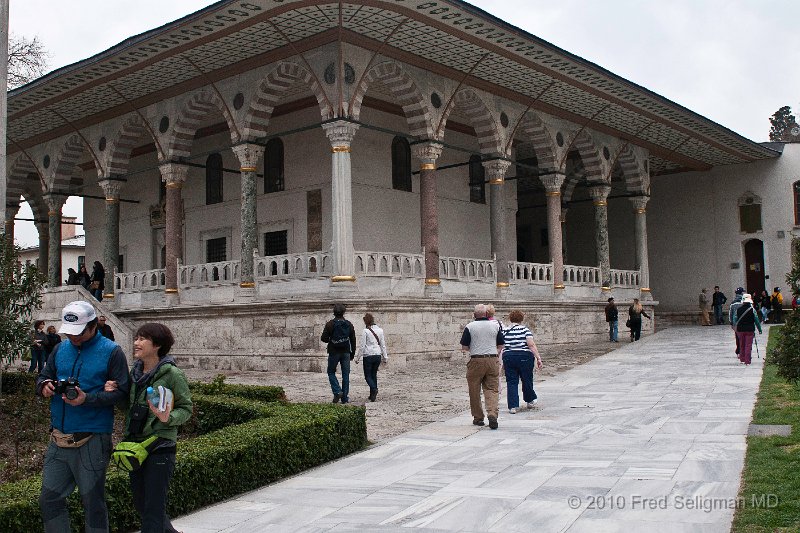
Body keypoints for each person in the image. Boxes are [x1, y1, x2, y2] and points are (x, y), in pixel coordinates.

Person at [35, 300, 130, 533]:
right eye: (69, 333)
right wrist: (45, 385)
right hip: (58, 437)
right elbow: (44, 375)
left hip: (92, 438)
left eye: (78, 333)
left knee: (93, 503)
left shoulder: (111, 352)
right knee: (49, 499)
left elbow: (122, 392)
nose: (73, 338)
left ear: (93, 326)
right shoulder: (60, 349)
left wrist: (87, 398)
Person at [106, 323, 192, 533]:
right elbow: (130, 408)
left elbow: (186, 408)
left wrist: (167, 417)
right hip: (136, 444)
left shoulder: (172, 374)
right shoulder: (134, 373)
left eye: (143, 339)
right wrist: (114, 394)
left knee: (153, 507)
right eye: (137, 338)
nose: (136, 343)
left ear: (157, 345)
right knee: (142, 503)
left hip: (159, 446)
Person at [460, 304, 504, 429]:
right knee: (492, 389)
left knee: (474, 389)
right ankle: (492, 414)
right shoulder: (495, 326)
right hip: (492, 359)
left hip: (476, 359)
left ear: (474, 315)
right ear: (486, 314)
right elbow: (501, 344)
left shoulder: (470, 327)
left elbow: (464, 347)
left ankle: (478, 417)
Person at [501, 310, 542, 414]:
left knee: (511, 381)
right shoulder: (525, 330)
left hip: (509, 357)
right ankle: (529, 400)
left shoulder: (505, 331)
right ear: (521, 319)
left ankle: (513, 406)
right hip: (524, 356)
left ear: (510, 318)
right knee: (527, 379)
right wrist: (538, 358)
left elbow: (501, 345)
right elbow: (531, 345)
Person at [321, 303, 356, 404]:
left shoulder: (330, 324)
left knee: (331, 372)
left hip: (334, 351)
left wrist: (332, 339)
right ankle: (344, 398)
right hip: (346, 351)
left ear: (334, 312)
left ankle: (337, 391)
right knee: (346, 375)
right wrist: (352, 353)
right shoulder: (349, 324)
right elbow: (353, 340)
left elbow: (323, 338)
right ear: (344, 312)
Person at [354, 313, 388, 402]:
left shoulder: (365, 331)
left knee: (367, 376)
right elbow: (383, 345)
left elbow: (362, 346)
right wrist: (385, 357)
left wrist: (357, 358)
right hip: (377, 355)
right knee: (373, 375)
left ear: (365, 322)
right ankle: (372, 395)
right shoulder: (380, 330)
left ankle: (374, 389)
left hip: (368, 356)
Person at [734, 293, 762, 365]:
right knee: (748, 345)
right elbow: (756, 321)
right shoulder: (753, 310)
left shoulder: (738, 310)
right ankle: (747, 361)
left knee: (742, 344)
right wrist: (759, 329)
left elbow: (735, 319)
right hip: (750, 330)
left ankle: (742, 359)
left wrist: (735, 328)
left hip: (740, 330)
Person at [729, 287, 745, 356]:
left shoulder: (733, 303)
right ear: (742, 293)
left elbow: (730, 314)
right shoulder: (745, 302)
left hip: (736, 324)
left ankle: (738, 350)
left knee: (738, 337)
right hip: (744, 323)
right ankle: (743, 350)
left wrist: (731, 323)